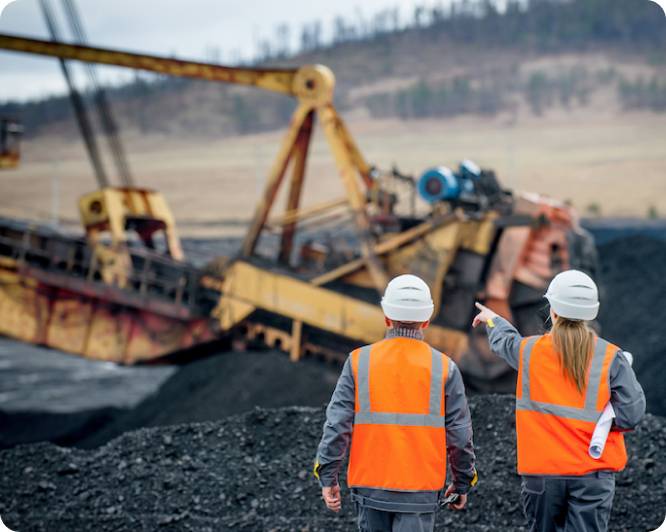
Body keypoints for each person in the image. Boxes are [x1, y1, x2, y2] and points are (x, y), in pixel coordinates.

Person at [472, 269, 646, 532]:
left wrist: (493, 319)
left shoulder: (529, 352)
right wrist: (603, 423)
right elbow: (631, 413)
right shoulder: (611, 357)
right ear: (591, 313)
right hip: (593, 476)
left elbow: (505, 343)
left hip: (542, 476)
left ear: (552, 310)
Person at [314, 274, 477, 532]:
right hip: (420, 491)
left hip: (370, 488)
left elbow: (337, 425)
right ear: (426, 320)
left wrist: (328, 475)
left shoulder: (359, 362)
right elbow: (459, 435)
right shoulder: (444, 368)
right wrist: (462, 483)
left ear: (386, 317)